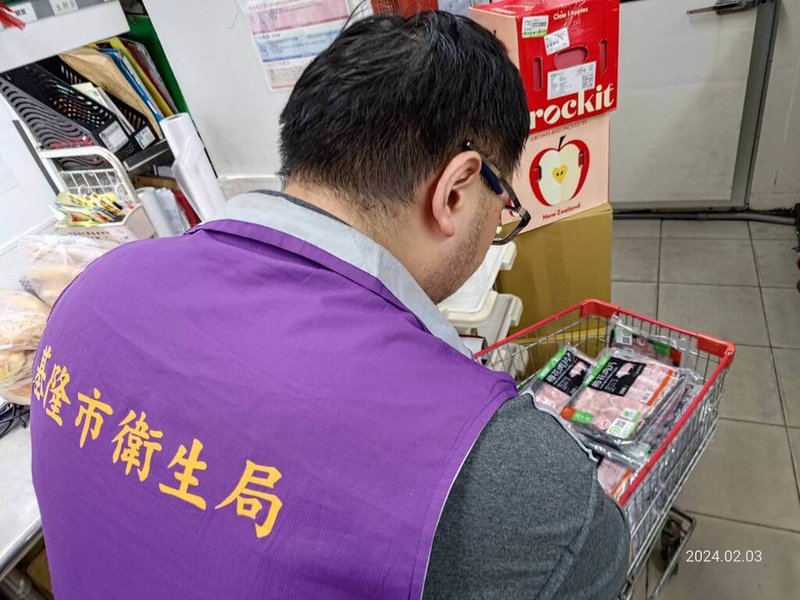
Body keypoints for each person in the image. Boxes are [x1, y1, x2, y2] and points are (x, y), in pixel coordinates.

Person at [30, 11, 628, 600]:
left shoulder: (92, 292)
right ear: (454, 191)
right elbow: (594, 555)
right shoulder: (511, 479)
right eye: (502, 209)